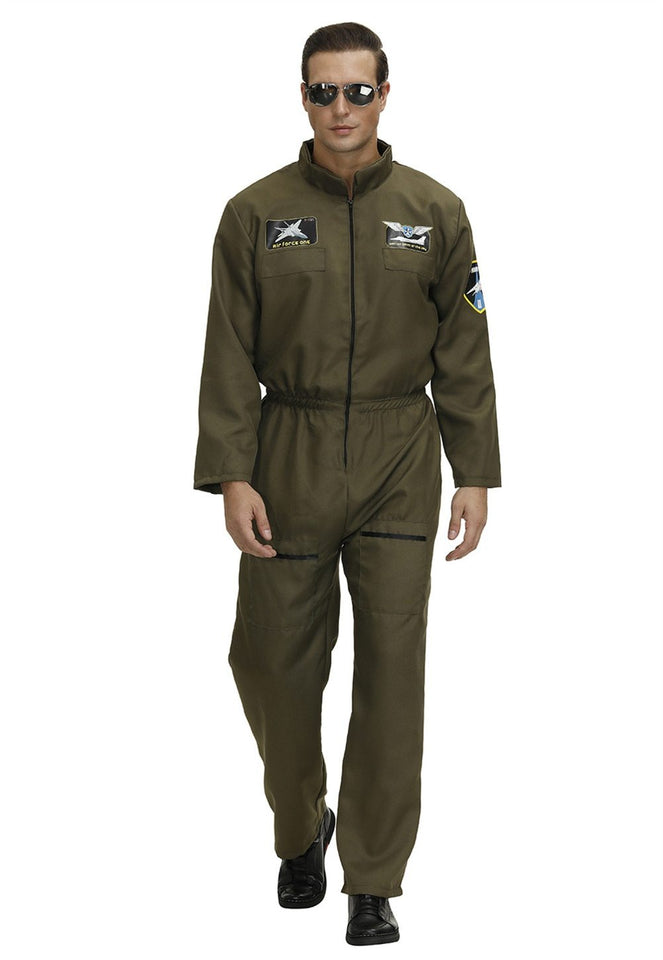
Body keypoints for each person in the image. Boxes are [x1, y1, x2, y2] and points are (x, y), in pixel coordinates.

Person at [193, 21, 501, 947]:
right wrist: (231, 472)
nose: (340, 108)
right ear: (302, 97)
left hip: (399, 453)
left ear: (384, 95)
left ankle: (372, 878)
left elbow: (465, 347)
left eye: (357, 91)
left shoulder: (435, 211)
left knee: (392, 675)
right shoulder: (253, 213)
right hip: (287, 447)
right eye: (323, 91)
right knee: (270, 663)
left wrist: (474, 470)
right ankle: (301, 827)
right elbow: (226, 350)